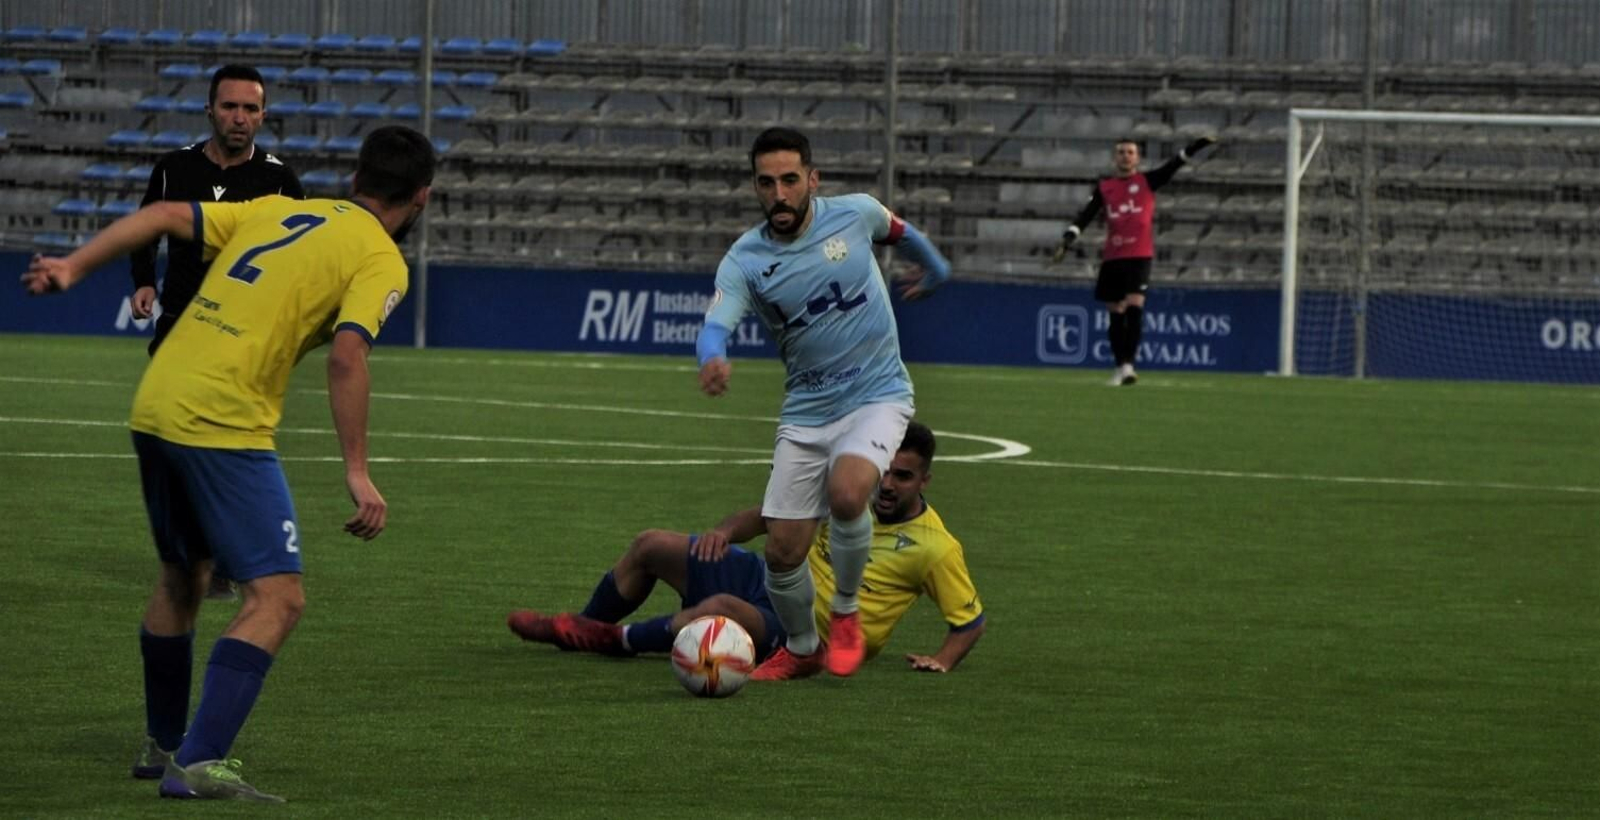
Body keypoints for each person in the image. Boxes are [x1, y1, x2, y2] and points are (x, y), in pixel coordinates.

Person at [22, 125, 435, 803]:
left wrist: (73, 266)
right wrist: (357, 470)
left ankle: (161, 746)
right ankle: (198, 761)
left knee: (184, 577)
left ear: (356, 177)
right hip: (221, 417)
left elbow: (160, 215)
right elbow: (346, 356)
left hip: (157, 400)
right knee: (278, 596)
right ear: (421, 197)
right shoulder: (382, 259)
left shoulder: (276, 206)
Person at [694, 126, 953, 681]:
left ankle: (845, 613)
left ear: (813, 179)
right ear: (756, 187)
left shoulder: (855, 214)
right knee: (782, 555)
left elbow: (901, 231)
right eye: (767, 183)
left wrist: (937, 270)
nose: (779, 193)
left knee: (848, 491)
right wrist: (711, 357)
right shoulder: (745, 260)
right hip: (807, 411)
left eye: (790, 180)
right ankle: (805, 647)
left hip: (878, 392)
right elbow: (715, 323)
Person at [508, 422, 986, 674]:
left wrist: (942, 659)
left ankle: (615, 642)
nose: (885, 483)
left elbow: (970, 621)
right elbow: (765, 515)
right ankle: (588, 625)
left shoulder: (935, 547)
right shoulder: (847, 488)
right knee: (651, 544)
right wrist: (722, 532)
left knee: (719, 609)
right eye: (883, 468)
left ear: (925, 479)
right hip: (767, 580)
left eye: (902, 476)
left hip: (808, 633)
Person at [129, 64, 304, 602]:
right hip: (180, 324)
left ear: (264, 116)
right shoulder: (172, 168)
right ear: (210, 110)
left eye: (251, 109)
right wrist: (143, 283)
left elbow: (301, 257)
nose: (240, 118)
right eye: (230, 107)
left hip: (241, 337)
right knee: (175, 445)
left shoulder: (279, 180)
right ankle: (193, 551)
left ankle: (222, 560)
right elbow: (148, 227)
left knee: (219, 446)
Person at [1051, 135, 1218, 386]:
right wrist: (1069, 236)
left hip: (1139, 255)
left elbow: (1174, 164)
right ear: (1115, 157)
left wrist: (1196, 147)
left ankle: (1129, 365)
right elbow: (1086, 215)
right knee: (1116, 313)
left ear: (1137, 158)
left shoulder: (1148, 181)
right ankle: (1120, 366)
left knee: (1134, 306)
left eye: (1130, 152)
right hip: (1113, 256)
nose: (1125, 156)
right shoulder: (1105, 187)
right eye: (1121, 152)